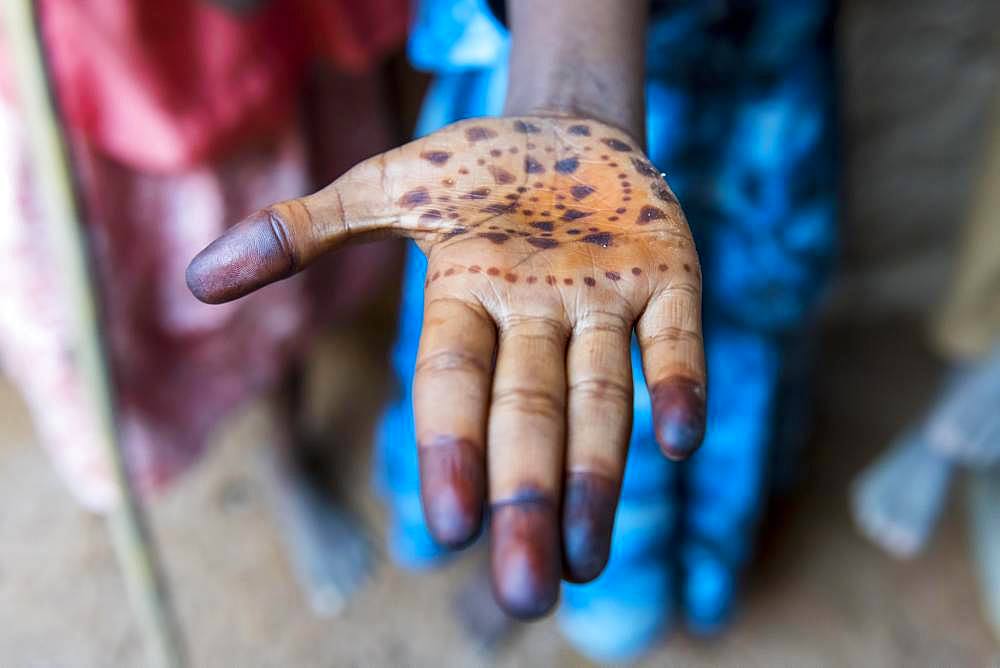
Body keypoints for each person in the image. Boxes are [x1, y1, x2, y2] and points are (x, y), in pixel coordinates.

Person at [190, 0, 838, 659]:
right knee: (500, 361)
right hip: (513, 124)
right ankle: (519, 546)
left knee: (648, 363)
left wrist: (574, 103)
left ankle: (639, 558)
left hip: (737, 74)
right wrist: (569, 102)